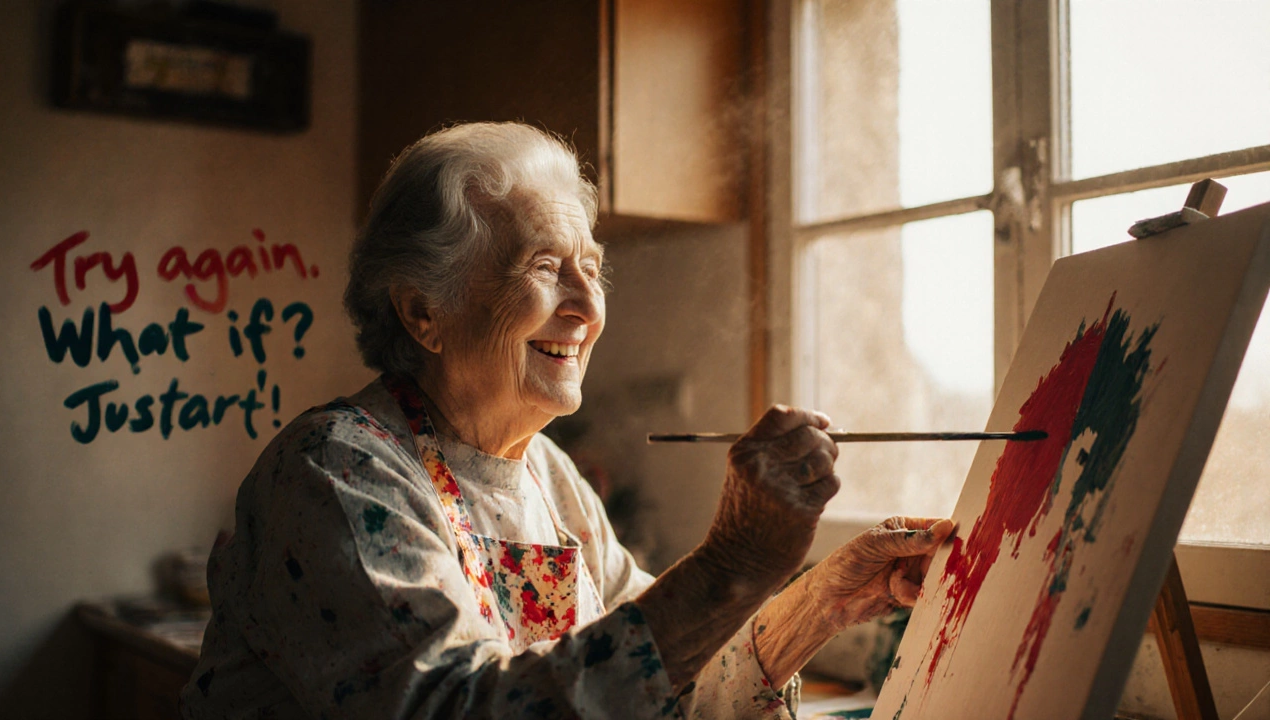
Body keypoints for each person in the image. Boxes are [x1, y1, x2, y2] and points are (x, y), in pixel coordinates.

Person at [180, 122, 954, 719]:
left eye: (593, 268)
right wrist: (731, 565)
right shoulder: (336, 469)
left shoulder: (547, 473)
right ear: (424, 312)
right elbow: (455, 710)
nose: (586, 309)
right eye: (546, 269)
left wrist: (821, 602)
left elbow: (667, 687)